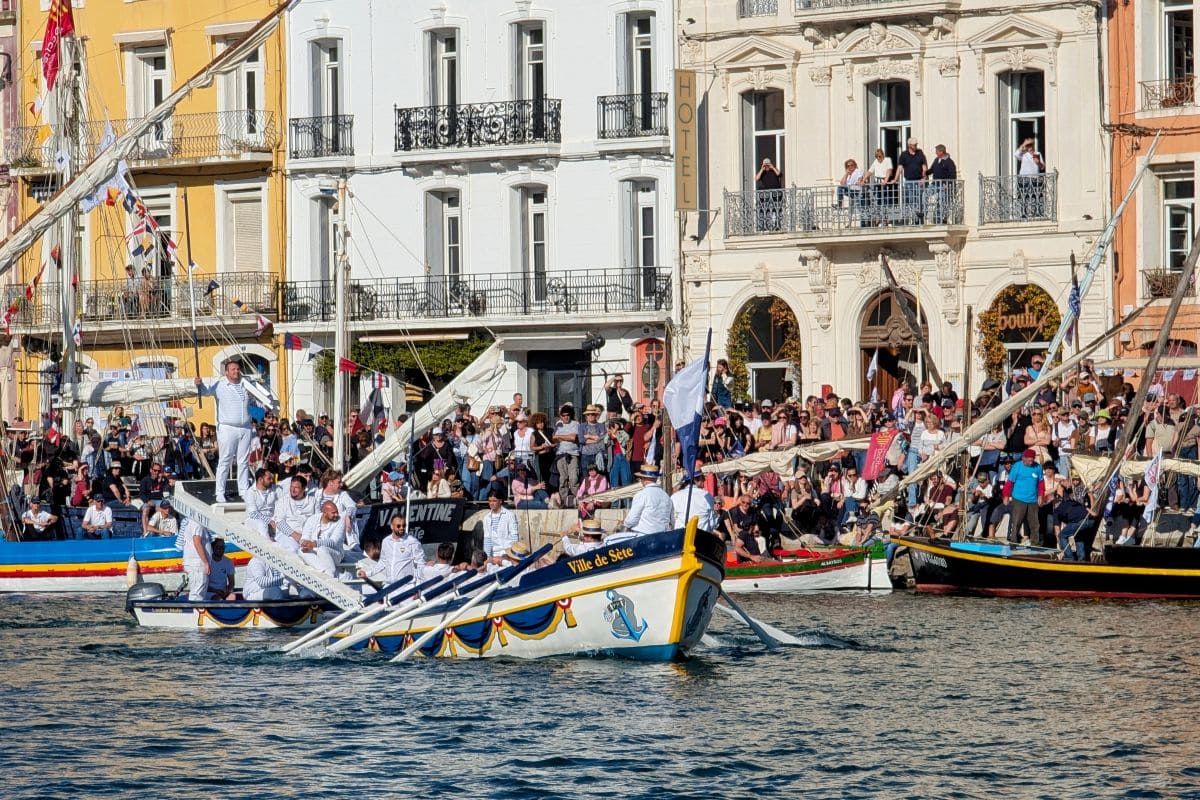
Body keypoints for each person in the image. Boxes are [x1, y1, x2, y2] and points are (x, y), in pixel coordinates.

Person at [195, 359, 256, 503]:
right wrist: (199, 384)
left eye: (238, 369)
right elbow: (205, 391)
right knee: (225, 459)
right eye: (233, 369)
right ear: (227, 372)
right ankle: (220, 492)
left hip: (245, 427)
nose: (236, 371)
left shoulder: (245, 385)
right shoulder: (220, 385)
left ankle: (243, 489)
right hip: (228, 427)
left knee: (243, 461)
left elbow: (254, 399)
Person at [609, 467, 674, 543]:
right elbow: (672, 521)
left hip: (643, 537)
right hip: (662, 537)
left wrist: (624, 522)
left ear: (643, 479)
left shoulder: (641, 495)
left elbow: (632, 520)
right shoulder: (666, 496)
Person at [1004, 448, 1045, 545]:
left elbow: (1041, 482)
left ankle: (1035, 543)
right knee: (1017, 521)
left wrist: (1041, 495)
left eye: (1032, 460)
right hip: (1019, 498)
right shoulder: (1017, 467)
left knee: (1034, 523)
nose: (1031, 462)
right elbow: (1009, 483)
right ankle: (1013, 541)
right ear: (1023, 458)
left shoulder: (1038, 467)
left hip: (1033, 500)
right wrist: (1006, 495)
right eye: (1029, 460)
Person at [300, 500, 348, 577]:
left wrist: (314, 544)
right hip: (314, 551)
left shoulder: (340, 522)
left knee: (322, 549)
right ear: (325, 512)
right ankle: (327, 572)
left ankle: (330, 574)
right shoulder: (312, 519)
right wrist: (305, 543)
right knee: (301, 550)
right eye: (333, 513)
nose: (336, 514)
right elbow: (305, 536)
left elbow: (333, 542)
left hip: (335, 553)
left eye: (337, 512)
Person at [273, 475, 316, 548]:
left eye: (296, 488)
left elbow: (316, 521)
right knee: (294, 548)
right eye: (291, 487)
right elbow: (279, 522)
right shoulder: (283, 501)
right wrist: (295, 535)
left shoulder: (313, 501)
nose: (292, 490)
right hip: (286, 535)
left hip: (306, 536)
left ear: (304, 488)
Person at [380, 515, 424, 585]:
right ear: (391, 526)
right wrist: (368, 574)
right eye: (398, 526)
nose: (402, 528)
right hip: (389, 586)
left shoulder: (412, 541)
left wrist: (418, 587)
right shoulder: (386, 541)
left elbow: (420, 565)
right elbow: (382, 562)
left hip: (406, 587)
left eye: (404, 525)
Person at [553, 405, 581, 507]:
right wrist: (565, 437)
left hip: (573, 454)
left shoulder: (575, 424)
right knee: (563, 479)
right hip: (560, 455)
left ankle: (578, 501)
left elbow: (573, 437)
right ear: (560, 416)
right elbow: (554, 439)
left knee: (574, 478)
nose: (566, 417)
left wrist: (560, 437)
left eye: (568, 415)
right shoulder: (558, 425)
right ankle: (564, 502)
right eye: (564, 415)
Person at [180, 517, 213, 601]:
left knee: (199, 593)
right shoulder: (197, 522)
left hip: (196, 564)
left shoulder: (192, 522)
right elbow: (197, 542)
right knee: (197, 594)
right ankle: (194, 612)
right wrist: (206, 563)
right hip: (197, 564)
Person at [482, 491, 519, 563]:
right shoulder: (486, 518)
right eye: (490, 501)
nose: (491, 503)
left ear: (500, 501)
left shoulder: (510, 515)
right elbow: (487, 540)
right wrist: (487, 557)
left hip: (507, 553)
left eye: (494, 501)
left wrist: (513, 556)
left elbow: (514, 536)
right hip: (494, 554)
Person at [1014, 137, 1045, 218]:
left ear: (1033, 145)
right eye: (1028, 145)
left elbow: (1042, 167)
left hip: (1035, 178)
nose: (1029, 146)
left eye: (1031, 144)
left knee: (1036, 195)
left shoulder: (1037, 154)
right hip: (1024, 179)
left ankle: (1037, 213)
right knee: (1024, 196)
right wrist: (1024, 144)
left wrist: (1038, 163)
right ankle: (1023, 214)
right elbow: (1016, 154)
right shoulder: (1024, 154)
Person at [243, 468, 277, 538]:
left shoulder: (275, 489)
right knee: (262, 524)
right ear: (260, 480)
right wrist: (269, 521)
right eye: (269, 478)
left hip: (272, 518)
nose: (272, 480)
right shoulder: (250, 492)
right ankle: (268, 545)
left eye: (272, 478)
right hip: (254, 519)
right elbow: (253, 513)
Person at [755, 157, 783, 231]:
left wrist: (772, 167)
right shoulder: (763, 172)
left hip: (776, 194)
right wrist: (762, 169)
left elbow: (779, 174)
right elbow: (756, 178)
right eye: (765, 165)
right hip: (766, 194)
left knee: (776, 209)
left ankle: (777, 225)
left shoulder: (774, 170)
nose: (766, 166)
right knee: (765, 209)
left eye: (767, 165)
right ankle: (764, 225)